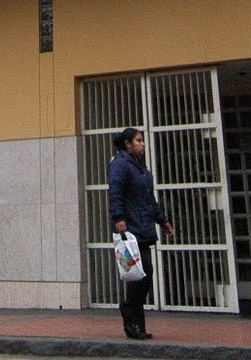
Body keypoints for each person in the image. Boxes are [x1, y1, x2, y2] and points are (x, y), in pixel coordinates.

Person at [107, 126, 174, 341]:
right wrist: (119, 218)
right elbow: (115, 192)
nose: (143, 144)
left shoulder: (140, 167)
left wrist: (162, 220)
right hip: (130, 230)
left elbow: (148, 199)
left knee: (144, 276)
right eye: (138, 140)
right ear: (127, 144)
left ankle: (137, 324)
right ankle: (132, 320)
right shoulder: (120, 164)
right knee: (138, 277)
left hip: (143, 227)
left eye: (142, 140)